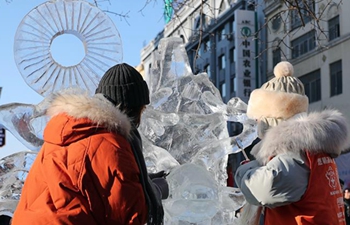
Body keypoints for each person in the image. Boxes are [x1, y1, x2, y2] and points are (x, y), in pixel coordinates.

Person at [12, 63, 168, 225]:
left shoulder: (64, 132)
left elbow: (88, 185)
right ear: (135, 111)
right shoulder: (111, 144)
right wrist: (155, 190)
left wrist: (137, 180)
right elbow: (130, 215)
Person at [234, 61, 349, 225]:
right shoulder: (314, 147)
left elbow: (264, 189)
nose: (257, 122)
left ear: (272, 117)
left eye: (259, 117)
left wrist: (245, 169)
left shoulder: (294, 149)